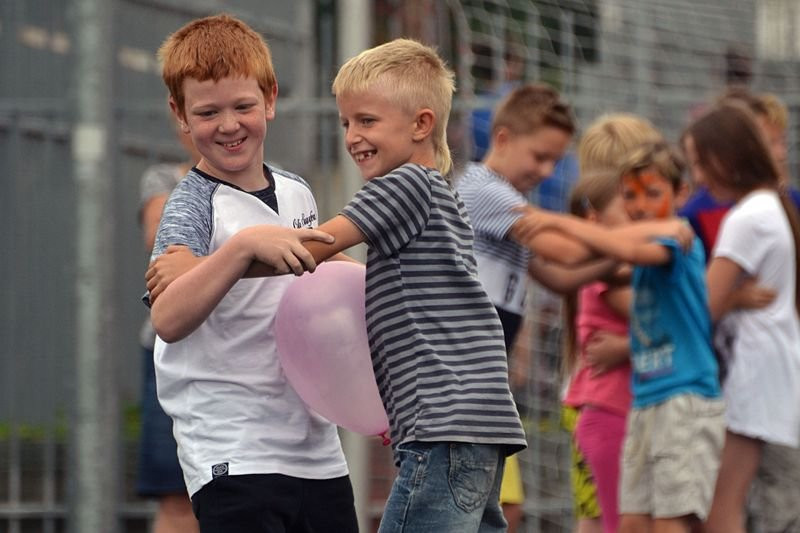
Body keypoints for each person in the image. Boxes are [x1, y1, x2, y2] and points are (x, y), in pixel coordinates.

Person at [145, 14, 358, 533]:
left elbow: (328, 279)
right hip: (233, 448)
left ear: (270, 98)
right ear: (179, 113)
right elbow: (168, 319)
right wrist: (241, 249)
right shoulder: (190, 206)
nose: (228, 124)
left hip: (315, 447)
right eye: (208, 112)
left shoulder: (297, 192)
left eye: (243, 106)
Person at [306, 38, 528, 533]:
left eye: (366, 121)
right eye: (346, 123)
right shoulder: (440, 198)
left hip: (444, 427)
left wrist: (233, 253)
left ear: (421, 124)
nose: (352, 137)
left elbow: (316, 245)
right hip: (476, 425)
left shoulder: (401, 185)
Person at [522, 141, 725, 533]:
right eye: (630, 195)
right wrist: (517, 247)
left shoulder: (673, 240)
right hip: (647, 400)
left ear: (680, 194)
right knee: (629, 522)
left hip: (684, 398)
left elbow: (620, 246)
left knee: (671, 521)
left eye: (653, 193)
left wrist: (557, 220)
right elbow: (566, 275)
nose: (640, 205)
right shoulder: (634, 253)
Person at [455, 83, 616, 532]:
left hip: (486, 379)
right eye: (539, 156)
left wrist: (619, 257)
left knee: (492, 511)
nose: (546, 171)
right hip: (462, 379)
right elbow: (561, 252)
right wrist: (629, 244)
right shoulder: (484, 191)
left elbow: (560, 277)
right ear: (503, 139)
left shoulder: (509, 203)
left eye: (555, 161)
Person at [684, 104, 800, 533]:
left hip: (753, 373)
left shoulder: (749, 217)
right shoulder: (771, 205)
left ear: (727, 158)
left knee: (722, 509)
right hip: (767, 369)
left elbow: (702, 306)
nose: (697, 177)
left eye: (700, 163)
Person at [559, 172, 632, 533]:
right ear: (595, 220)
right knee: (610, 523)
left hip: (620, 411)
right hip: (608, 413)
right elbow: (663, 320)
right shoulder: (611, 269)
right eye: (628, 207)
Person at [136, 120, 200, 533]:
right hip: (171, 351)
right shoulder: (162, 177)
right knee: (177, 498)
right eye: (205, 112)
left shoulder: (278, 184)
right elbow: (163, 240)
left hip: (244, 351)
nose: (224, 125)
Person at [679, 88, 800, 260]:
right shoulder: (697, 213)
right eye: (770, 142)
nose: (781, 153)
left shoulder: (791, 201)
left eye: (782, 141)